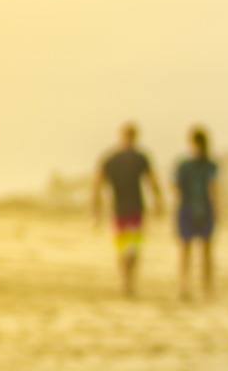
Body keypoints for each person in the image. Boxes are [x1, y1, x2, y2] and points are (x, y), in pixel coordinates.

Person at [92, 123, 165, 298]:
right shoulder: (136, 158)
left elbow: (97, 185)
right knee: (131, 247)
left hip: (125, 210)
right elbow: (153, 182)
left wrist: (97, 210)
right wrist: (158, 202)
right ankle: (128, 280)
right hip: (131, 210)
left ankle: (126, 280)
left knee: (126, 247)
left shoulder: (115, 158)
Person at [174, 127, 220, 301]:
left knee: (206, 250)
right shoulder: (185, 165)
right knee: (186, 249)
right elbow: (176, 187)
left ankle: (206, 286)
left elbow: (214, 188)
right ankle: (184, 285)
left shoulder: (209, 165)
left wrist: (216, 210)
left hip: (203, 209)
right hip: (188, 209)